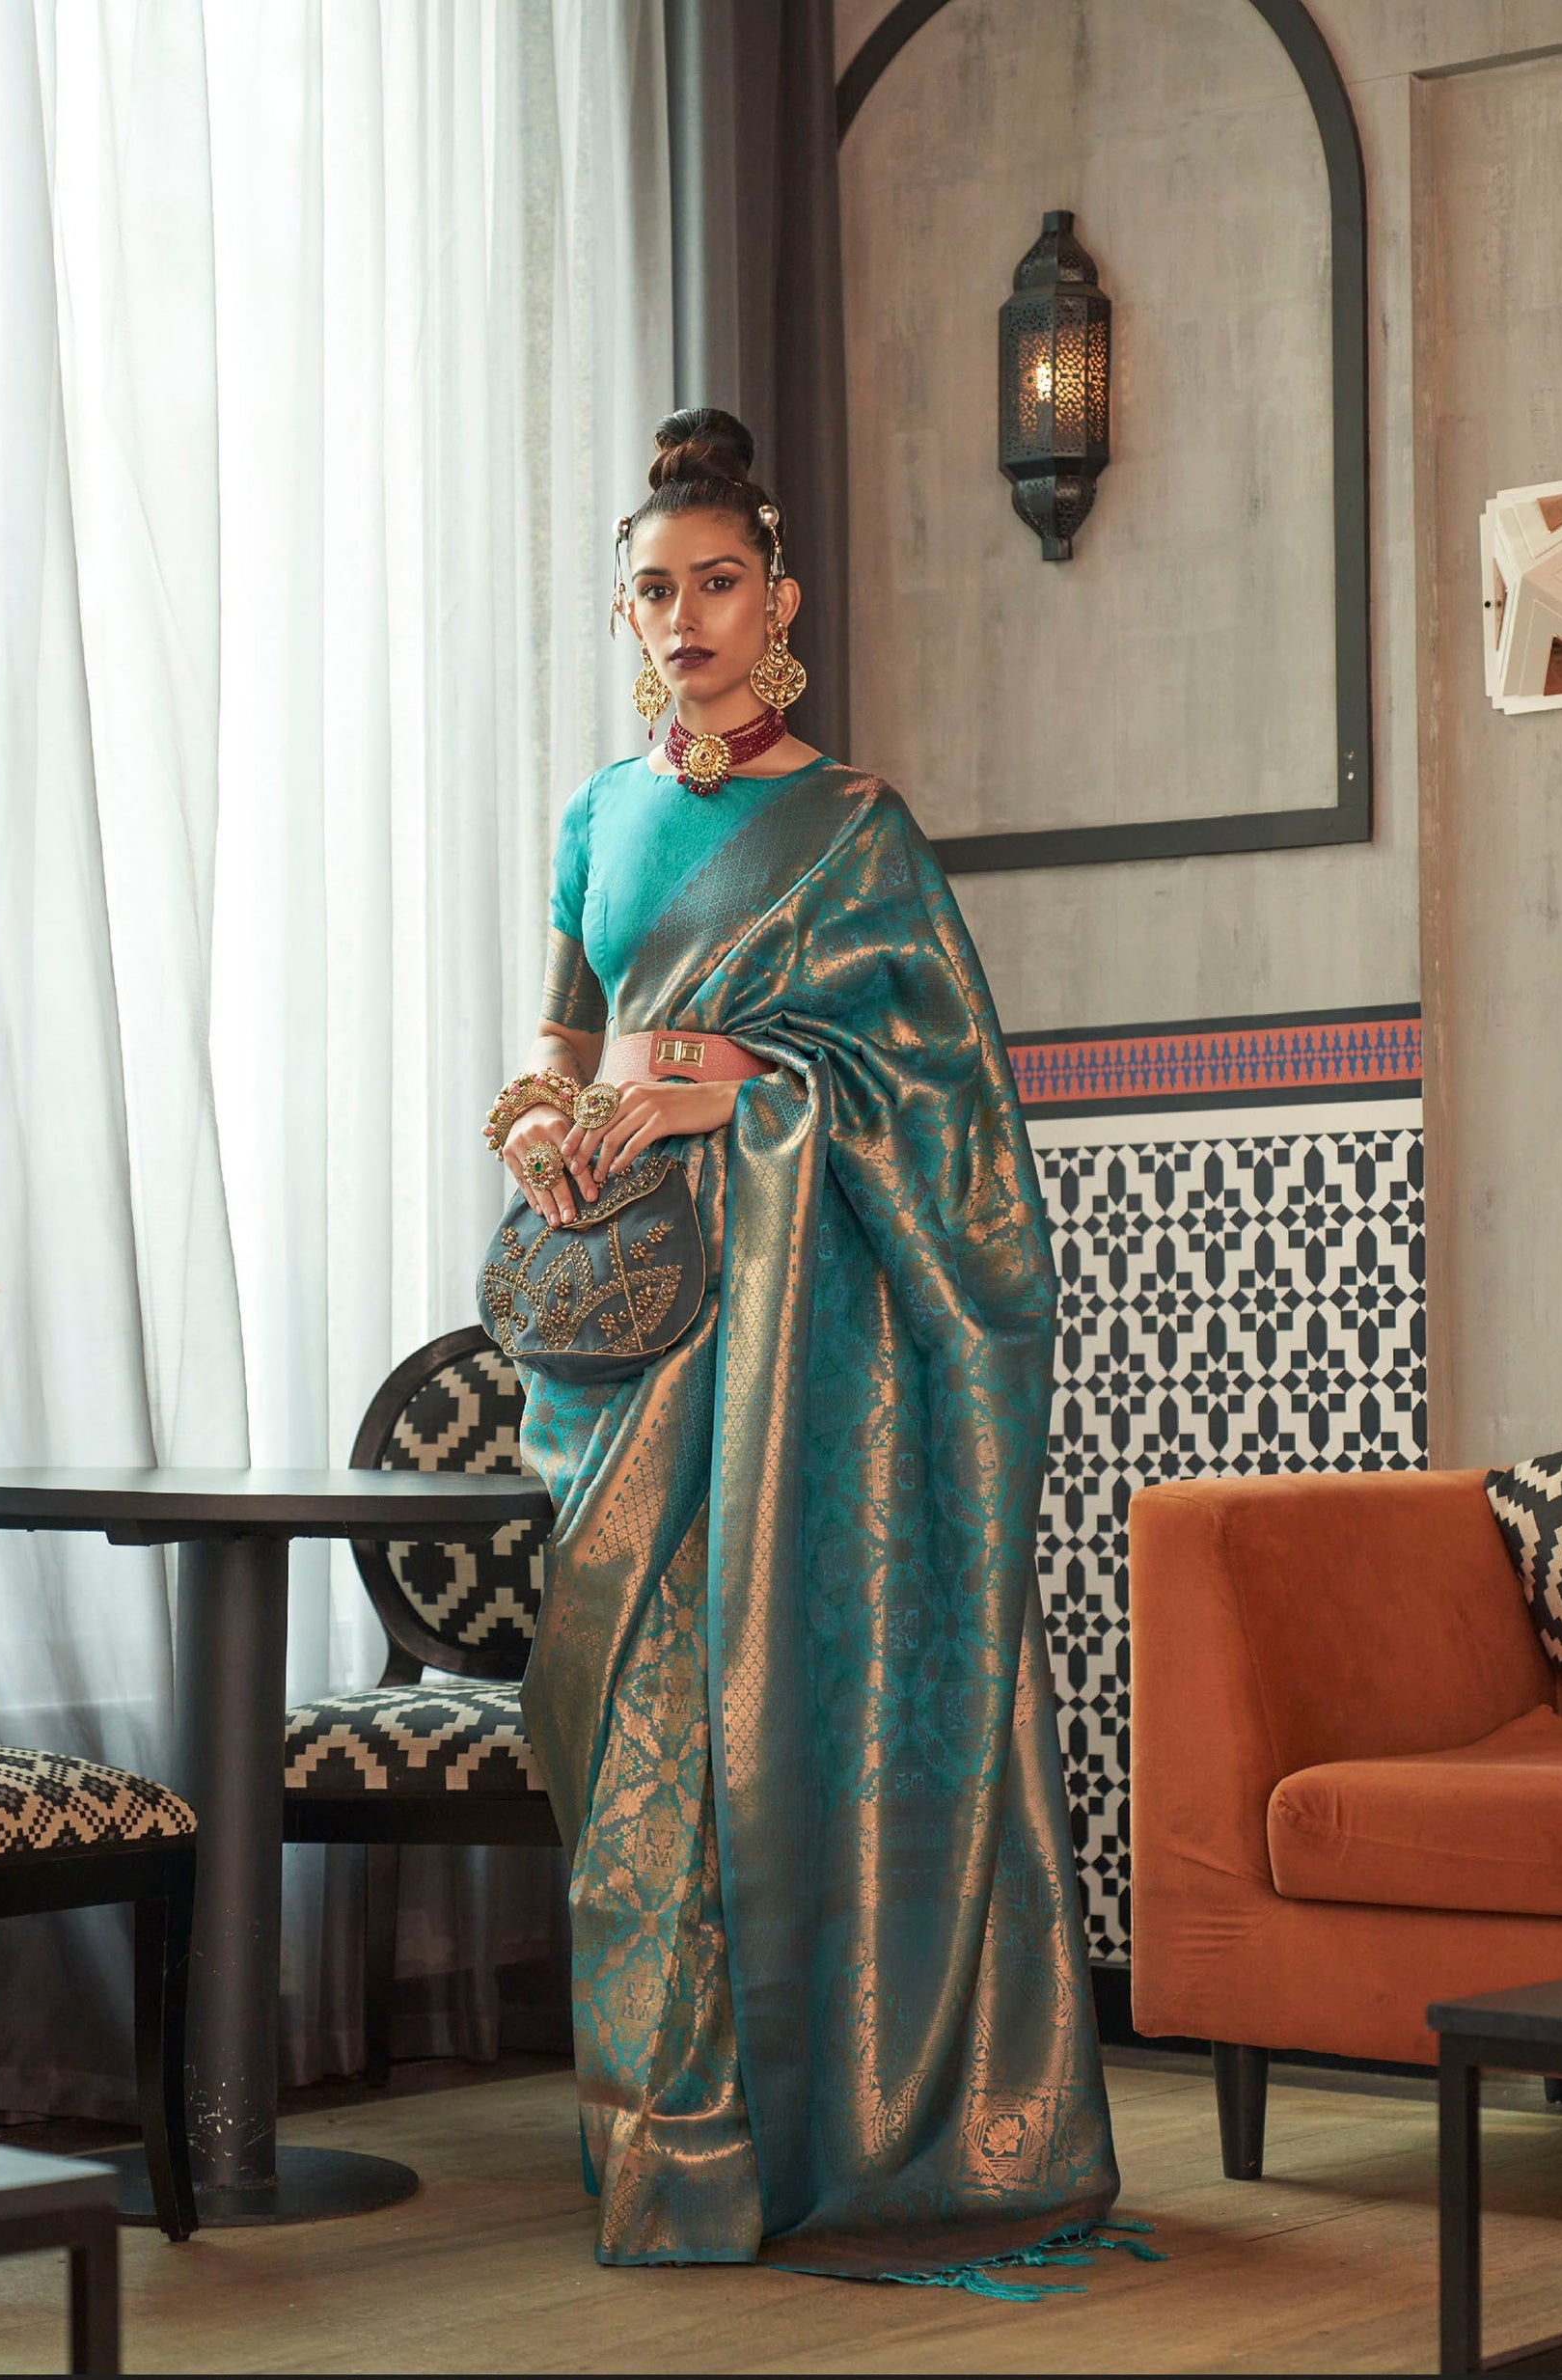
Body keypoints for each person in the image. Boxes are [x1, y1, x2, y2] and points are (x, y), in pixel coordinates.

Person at [482, 408, 1124, 2287]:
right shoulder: (598, 816)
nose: (682, 618)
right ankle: (665, 2156)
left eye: (715, 583)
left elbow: (949, 1111)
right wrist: (531, 1119)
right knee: (622, 1725)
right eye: (650, 591)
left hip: (791, 1328)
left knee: (733, 1713)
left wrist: (740, 1091)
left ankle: (751, 2155)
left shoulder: (855, 831)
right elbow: (560, 1031)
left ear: (778, 603)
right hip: (617, 1319)